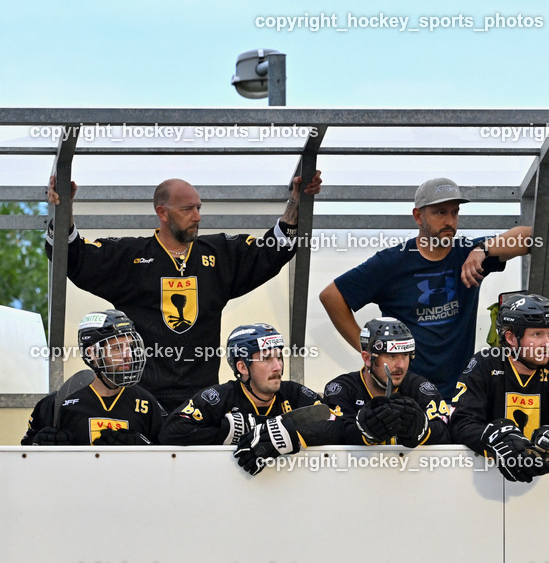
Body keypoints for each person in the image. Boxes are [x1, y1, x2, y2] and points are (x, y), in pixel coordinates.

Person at [45, 171, 323, 411]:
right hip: (142, 398)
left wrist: (296, 201)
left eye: (199, 207)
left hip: (201, 399)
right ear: (162, 213)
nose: (197, 216)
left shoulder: (220, 253)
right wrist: (63, 209)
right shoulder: (131, 256)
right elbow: (73, 256)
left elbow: (273, 251)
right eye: (187, 209)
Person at [319, 177, 532, 398]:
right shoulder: (392, 262)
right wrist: (369, 352)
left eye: (454, 212)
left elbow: (530, 237)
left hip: (461, 394)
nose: (450, 221)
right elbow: (331, 296)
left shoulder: (467, 252)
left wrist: (483, 250)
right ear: (418, 216)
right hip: (407, 394)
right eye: (440, 213)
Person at [448, 293, 549, 482]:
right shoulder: (484, 364)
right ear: (510, 337)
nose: (547, 343)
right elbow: (460, 422)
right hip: (487, 482)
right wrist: (494, 439)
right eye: (537, 334)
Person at [160, 324, 322, 476]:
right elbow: (171, 432)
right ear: (242, 367)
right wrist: (229, 430)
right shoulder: (219, 397)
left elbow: (335, 421)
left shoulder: (294, 393)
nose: (278, 366)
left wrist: (288, 434)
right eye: (266, 359)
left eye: (279, 357)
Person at [22, 310, 165, 445]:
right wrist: (38, 444)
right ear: (93, 353)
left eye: (130, 346)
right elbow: (25, 448)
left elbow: (168, 456)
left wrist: (145, 446)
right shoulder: (57, 403)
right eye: (117, 348)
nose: (128, 355)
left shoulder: (147, 403)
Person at [322, 317, 451, 446]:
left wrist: (422, 429)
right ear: (367, 358)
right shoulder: (342, 389)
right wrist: (365, 431)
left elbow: (448, 433)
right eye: (391, 356)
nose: (401, 365)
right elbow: (331, 433)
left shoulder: (420, 387)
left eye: (405, 355)